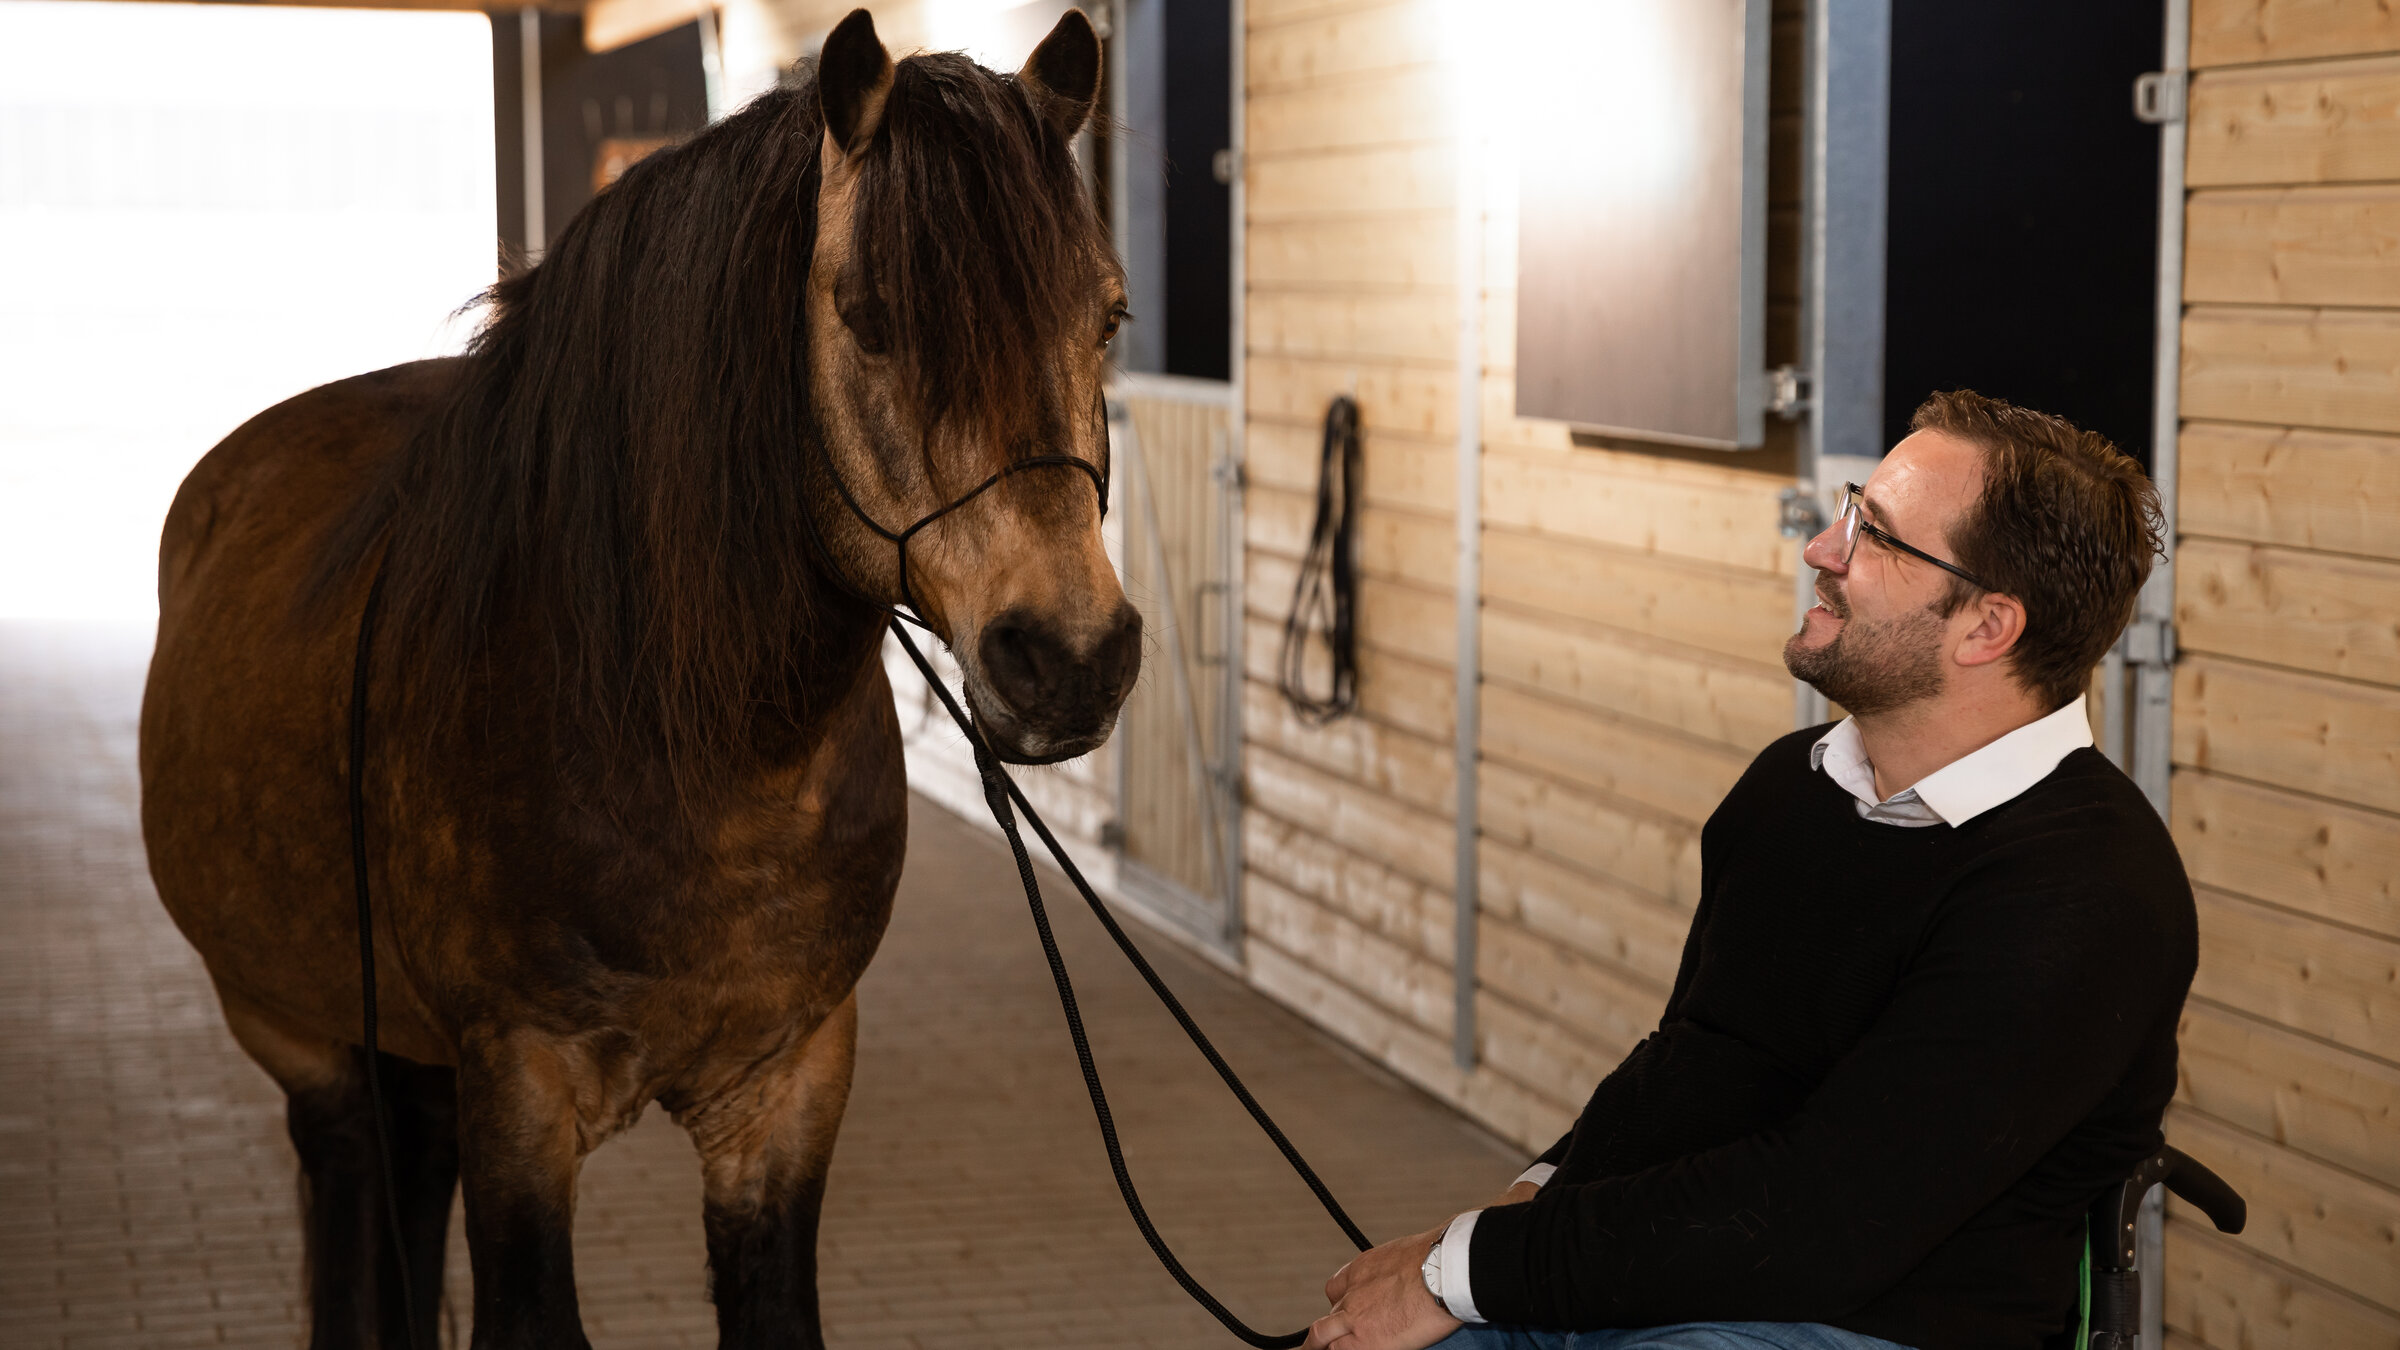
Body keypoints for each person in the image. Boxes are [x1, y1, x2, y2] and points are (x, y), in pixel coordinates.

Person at [1303, 391, 2196, 1350]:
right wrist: (1517, 1216)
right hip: (1704, 1282)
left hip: (1871, 1323)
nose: (1821, 547)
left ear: (1985, 628)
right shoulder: (1791, 787)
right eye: (1852, 508)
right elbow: (1694, 1062)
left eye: (1875, 535)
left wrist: (1464, 1270)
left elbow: (1827, 1220)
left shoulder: (2088, 891)